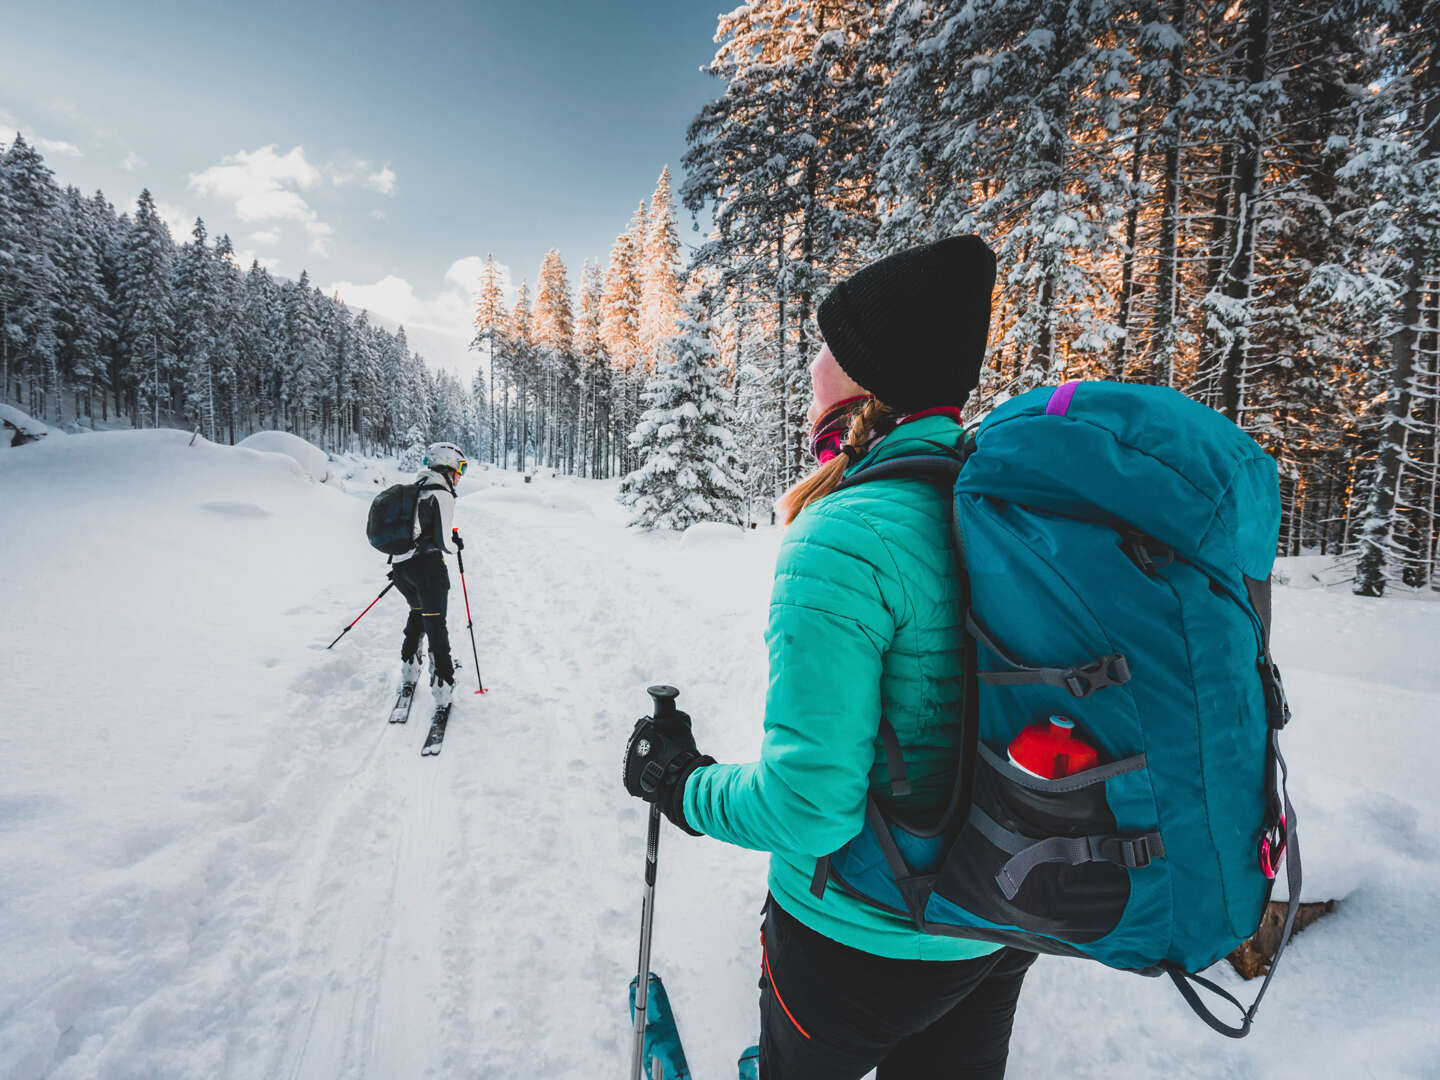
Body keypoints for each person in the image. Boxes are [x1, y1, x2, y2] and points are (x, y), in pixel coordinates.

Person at [623, 237, 1035, 1079]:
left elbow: (811, 812)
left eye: (830, 346)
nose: (813, 362)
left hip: (856, 946)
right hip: (994, 924)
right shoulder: (1000, 508)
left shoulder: (844, 535)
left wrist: (680, 783)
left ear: (865, 381)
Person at [391, 441, 467, 708]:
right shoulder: (442, 493)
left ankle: (409, 668)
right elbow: (446, 542)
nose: (460, 476)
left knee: (417, 613)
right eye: (460, 468)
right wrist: (457, 544)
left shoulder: (415, 488)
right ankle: (443, 686)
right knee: (436, 624)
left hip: (401, 569)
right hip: (427, 571)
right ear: (446, 465)